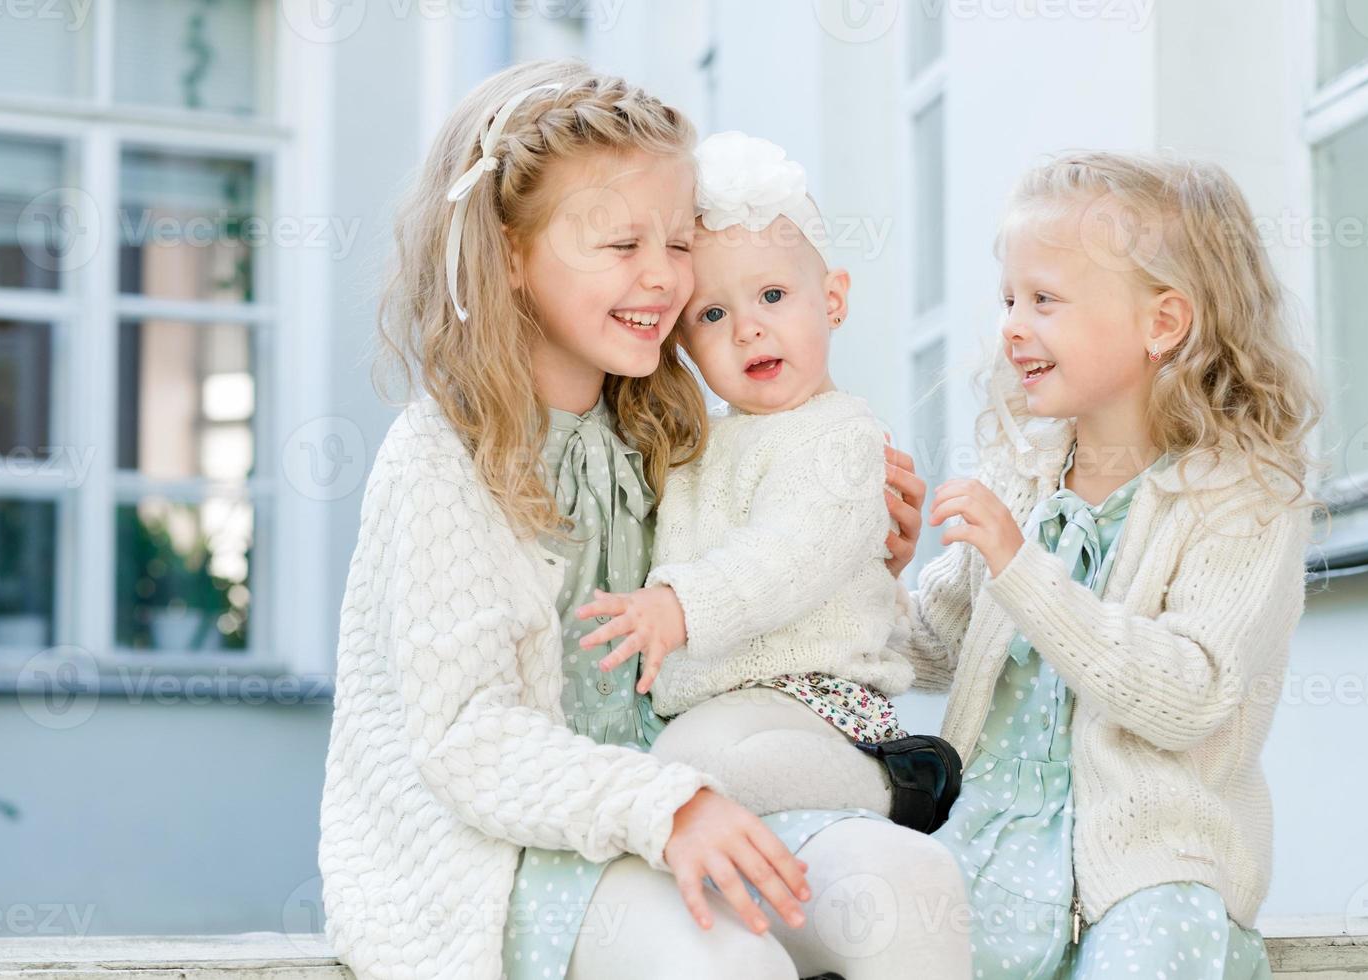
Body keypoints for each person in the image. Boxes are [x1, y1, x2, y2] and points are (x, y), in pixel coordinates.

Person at [317, 58, 970, 980]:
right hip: (511, 852)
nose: (662, 278)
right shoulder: (445, 455)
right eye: (621, 247)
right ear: (510, 255)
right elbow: (468, 737)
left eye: (676, 242)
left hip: (696, 792)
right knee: (728, 962)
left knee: (911, 889)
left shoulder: (665, 430)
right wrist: (668, 806)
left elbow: (748, 612)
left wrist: (871, 577)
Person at [887, 150, 1326, 978]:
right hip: (982, 849)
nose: (1013, 325)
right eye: (1009, 299)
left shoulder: (1242, 496)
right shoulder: (1021, 471)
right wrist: (879, 574)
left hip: (1151, 871)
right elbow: (938, 646)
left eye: (1045, 301)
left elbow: (1189, 696)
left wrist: (1024, 571)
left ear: (1162, 324)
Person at [577, 130, 922, 822]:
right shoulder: (703, 445)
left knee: (702, 771)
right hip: (720, 704)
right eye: (712, 314)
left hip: (814, 699)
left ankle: (898, 782)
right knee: (684, 767)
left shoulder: (842, 437)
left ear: (832, 299)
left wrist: (679, 607)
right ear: (682, 340)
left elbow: (786, 555)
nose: (748, 330)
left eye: (772, 295)